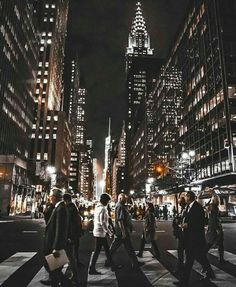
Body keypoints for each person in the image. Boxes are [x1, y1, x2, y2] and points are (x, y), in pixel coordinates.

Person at [174, 191, 215, 287]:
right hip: (188, 238)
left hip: (195, 239)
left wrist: (188, 225)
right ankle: (209, 272)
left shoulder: (198, 207)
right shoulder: (188, 207)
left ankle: (184, 282)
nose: (184, 198)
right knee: (199, 258)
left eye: (185, 196)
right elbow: (187, 218)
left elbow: (201, 223)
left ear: (189, 197)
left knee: (190, 261)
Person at [106, 193, 144, 269]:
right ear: (120, 198)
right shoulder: (120, 206)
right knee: (121, 247)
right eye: (124, 199)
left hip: (122, 231)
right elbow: (120, 220)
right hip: (121, 232)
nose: (126, 200)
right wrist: (123, 232)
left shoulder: (121, 206)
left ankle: (134, 263)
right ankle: (134, 263)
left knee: (126, 247)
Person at [43, 188, 69, 287]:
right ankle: (58, 281)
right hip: (52, 242)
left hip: (53, 244)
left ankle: (64, 283)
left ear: (54, 197)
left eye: (50, 197)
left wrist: (56, 247)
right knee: (54, 268)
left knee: (52, 267)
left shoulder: (60, 208)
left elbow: (60, 229)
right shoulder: (58, 207)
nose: (50, 199)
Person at [89, 193, 116, 275]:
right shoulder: (103, 209)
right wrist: (109, 232)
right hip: (100, 232)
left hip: (98, 231)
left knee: (105, 250)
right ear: (104, 201)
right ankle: (92, 268)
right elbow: (103, 222)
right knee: (98, 251)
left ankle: (112, 266)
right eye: (108, 201)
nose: (108, 202)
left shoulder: (97, 207)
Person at [64, 193, 83, 284]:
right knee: (70, 255)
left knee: (69, 256)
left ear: (65, 200)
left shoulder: (69, 208)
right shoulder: (73, 207)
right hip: (73, 235)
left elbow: (70, 224)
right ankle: (54, 276)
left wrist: (70, 236)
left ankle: (55, 276)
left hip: (69, 236)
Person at [172, 197, 187, 277]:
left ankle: (180, 268)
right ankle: (180, 267)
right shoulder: (182, 209)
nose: (179, 204)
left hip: (184, 234)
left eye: (180, 202)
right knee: (180, 251)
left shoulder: (185, 209)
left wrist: (178, 221)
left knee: (181, 250)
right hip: (182, 234)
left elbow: (185, 221)